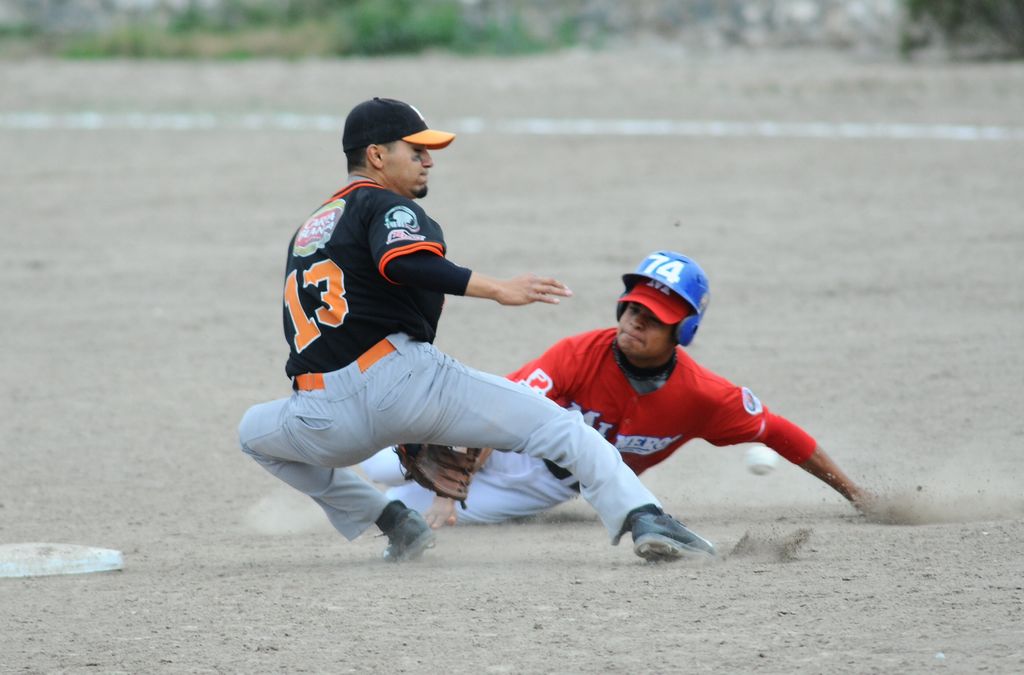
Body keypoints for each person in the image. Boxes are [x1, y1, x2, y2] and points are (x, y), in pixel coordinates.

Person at [237, 98, 716, 564]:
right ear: (377, 156)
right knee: (560, 427)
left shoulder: (309, 230)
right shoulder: (385, 205)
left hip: (321, 414)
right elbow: (403, 262)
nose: (428, 161)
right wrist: (498, 288)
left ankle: (392, 520)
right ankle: (643, 516)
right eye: (416, 150)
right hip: (402, 382)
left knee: (254, 434)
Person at [361, 250, 871, 529]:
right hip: (497, 448)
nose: (634, 322)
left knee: (397, 506)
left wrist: (856, 495)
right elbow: (497, 413)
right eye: (633, 307)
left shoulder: (704, 396)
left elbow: (781, 434)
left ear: (683, 331)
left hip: (540, 488)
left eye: (654, 317)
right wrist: (450, 490)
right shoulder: (580, 353)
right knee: (379, 462)